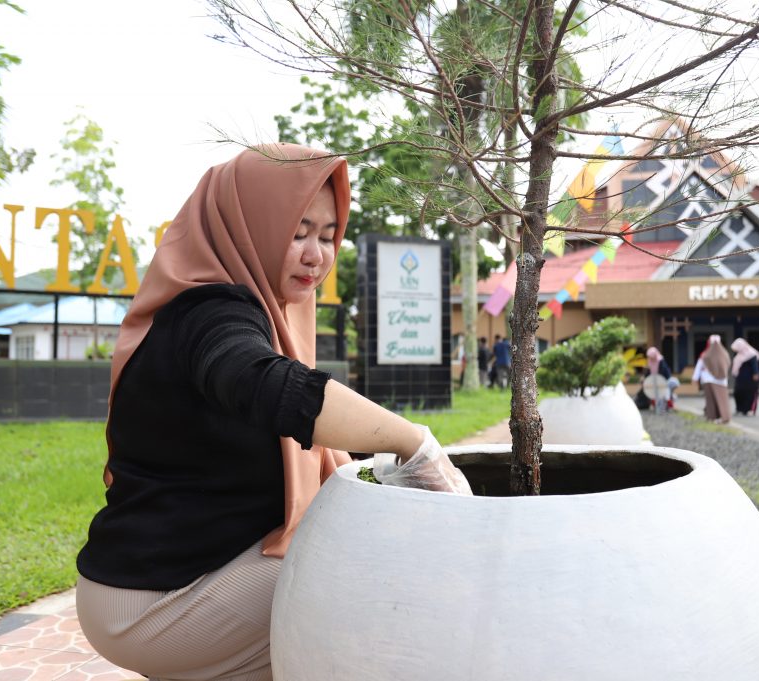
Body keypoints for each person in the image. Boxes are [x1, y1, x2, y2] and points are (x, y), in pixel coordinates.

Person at [74, 144, 470, 681]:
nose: (316, 255)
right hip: (156, 599)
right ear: (247, 224)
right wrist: (410, 441)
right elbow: (260, 383)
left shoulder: (250, 311)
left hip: (173, 575)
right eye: (297, 231)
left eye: (328, 237)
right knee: (390, 591)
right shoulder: (209, 313)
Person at [691, 335, 731, 423]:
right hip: (722, 381)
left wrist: (695, 378)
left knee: (710, 401)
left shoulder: (705, 355)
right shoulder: (725, 354)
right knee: (723, 400)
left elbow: (699, 367)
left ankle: (711, 417)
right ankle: (725, 416)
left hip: (708, 380)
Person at [731, 337, 759, 415]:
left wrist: (756, 374)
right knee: (738, 393)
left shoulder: (751, 354)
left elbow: (755, 365)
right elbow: (735, 368)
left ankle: (749, 410)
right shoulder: (738, 356)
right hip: (740, 379)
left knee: (750, 394)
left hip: (750, 379)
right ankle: (739, 409)